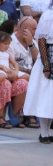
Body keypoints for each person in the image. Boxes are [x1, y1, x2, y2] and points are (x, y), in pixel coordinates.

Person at [23, 7, 53, 143]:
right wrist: (46, 65)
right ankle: (44, 132)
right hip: (49, 56)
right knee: (46, 97)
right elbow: (41, 40)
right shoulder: (48, 15)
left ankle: (48, 131)